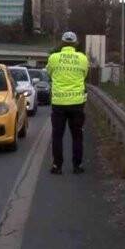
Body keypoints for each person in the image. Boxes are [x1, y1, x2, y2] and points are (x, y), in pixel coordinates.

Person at [46, 31, 89, 174]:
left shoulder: (53, 58)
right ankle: (77, 166)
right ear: (75, 43)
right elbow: (84, 75)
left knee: (57, 136)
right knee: (77, 136)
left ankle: (57, 166)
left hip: (59, 103)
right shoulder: (82, 58)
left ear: (62, 43)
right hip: (77, 103)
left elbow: (49, 73)